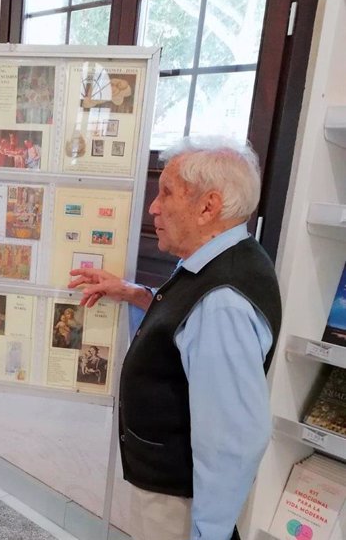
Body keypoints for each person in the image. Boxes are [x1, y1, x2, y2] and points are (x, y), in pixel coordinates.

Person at [68, 136, 281, 540]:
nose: (153, 206)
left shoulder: (222, 300)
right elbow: (188, 326)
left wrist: (209, 533)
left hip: (179, 504)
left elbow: (232, 441)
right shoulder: (219, 264)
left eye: (166, 192)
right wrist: (134, 294)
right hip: (171, 489)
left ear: (208, 206)